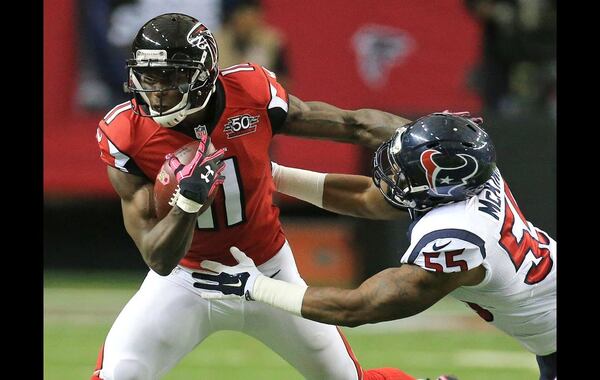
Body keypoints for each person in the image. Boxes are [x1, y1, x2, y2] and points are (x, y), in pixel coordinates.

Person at [93, 12, 450, 380]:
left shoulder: (250, 92)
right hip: (186, 280)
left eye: (171, 77)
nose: (157, 90)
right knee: (118, 376)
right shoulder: (126, 133)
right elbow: (159, 258)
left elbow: (350, 124)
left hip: (268, 269)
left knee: (345, 379)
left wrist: (428, 135)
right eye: (149, 76)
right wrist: (187, 204)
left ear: (202, 74)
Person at [193, 113, 557, 380]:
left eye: (404, 173)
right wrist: (271, 174)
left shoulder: (456, 237)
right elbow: (370, 194)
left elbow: (360, 307)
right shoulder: (475, 172)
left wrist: (254, 286)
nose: (390, 174)